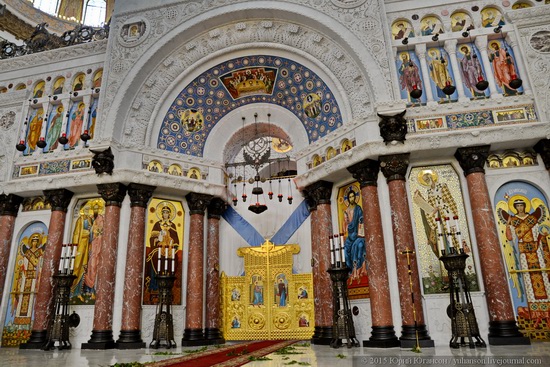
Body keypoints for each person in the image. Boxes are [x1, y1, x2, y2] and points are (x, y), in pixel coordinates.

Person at [499, 198, 550, 304]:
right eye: (517, 206)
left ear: (524, 206)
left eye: (521, 205)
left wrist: (542, 236)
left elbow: (537, 233)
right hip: (523, 252)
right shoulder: (514, 220)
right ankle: (533, 303)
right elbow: (511, 238)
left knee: (542, 274)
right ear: (515, 208)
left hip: (536, 251)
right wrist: (508, 226)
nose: (520, 208)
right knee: (527, 277)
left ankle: (546, 301)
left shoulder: (532, 219)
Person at [147, 204, 180, 293]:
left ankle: (169, 284)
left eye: (167, 213)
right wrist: (158, 238)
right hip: (159, 247)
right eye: (164, 213)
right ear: (162, 214)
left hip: (169, 248)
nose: (165, 214)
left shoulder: (172, 225)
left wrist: (171, 242)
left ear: (169, 214)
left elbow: (176, 240)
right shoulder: (157, 224)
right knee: (155, 256)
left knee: (175, 257)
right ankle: (155, 284)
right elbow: (152, 237)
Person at [342, 189, 366, 273]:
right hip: (350, 235)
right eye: (350, 197)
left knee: (357, 246)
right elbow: (345, 223)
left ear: (355, 197)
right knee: (345, 249)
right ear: (348, 199)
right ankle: (350, 271)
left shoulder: (358, 208)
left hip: (358, 234)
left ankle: (358, 269)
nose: (351, 198)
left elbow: (361, 220)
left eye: (353, 197)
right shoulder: (346, 210)